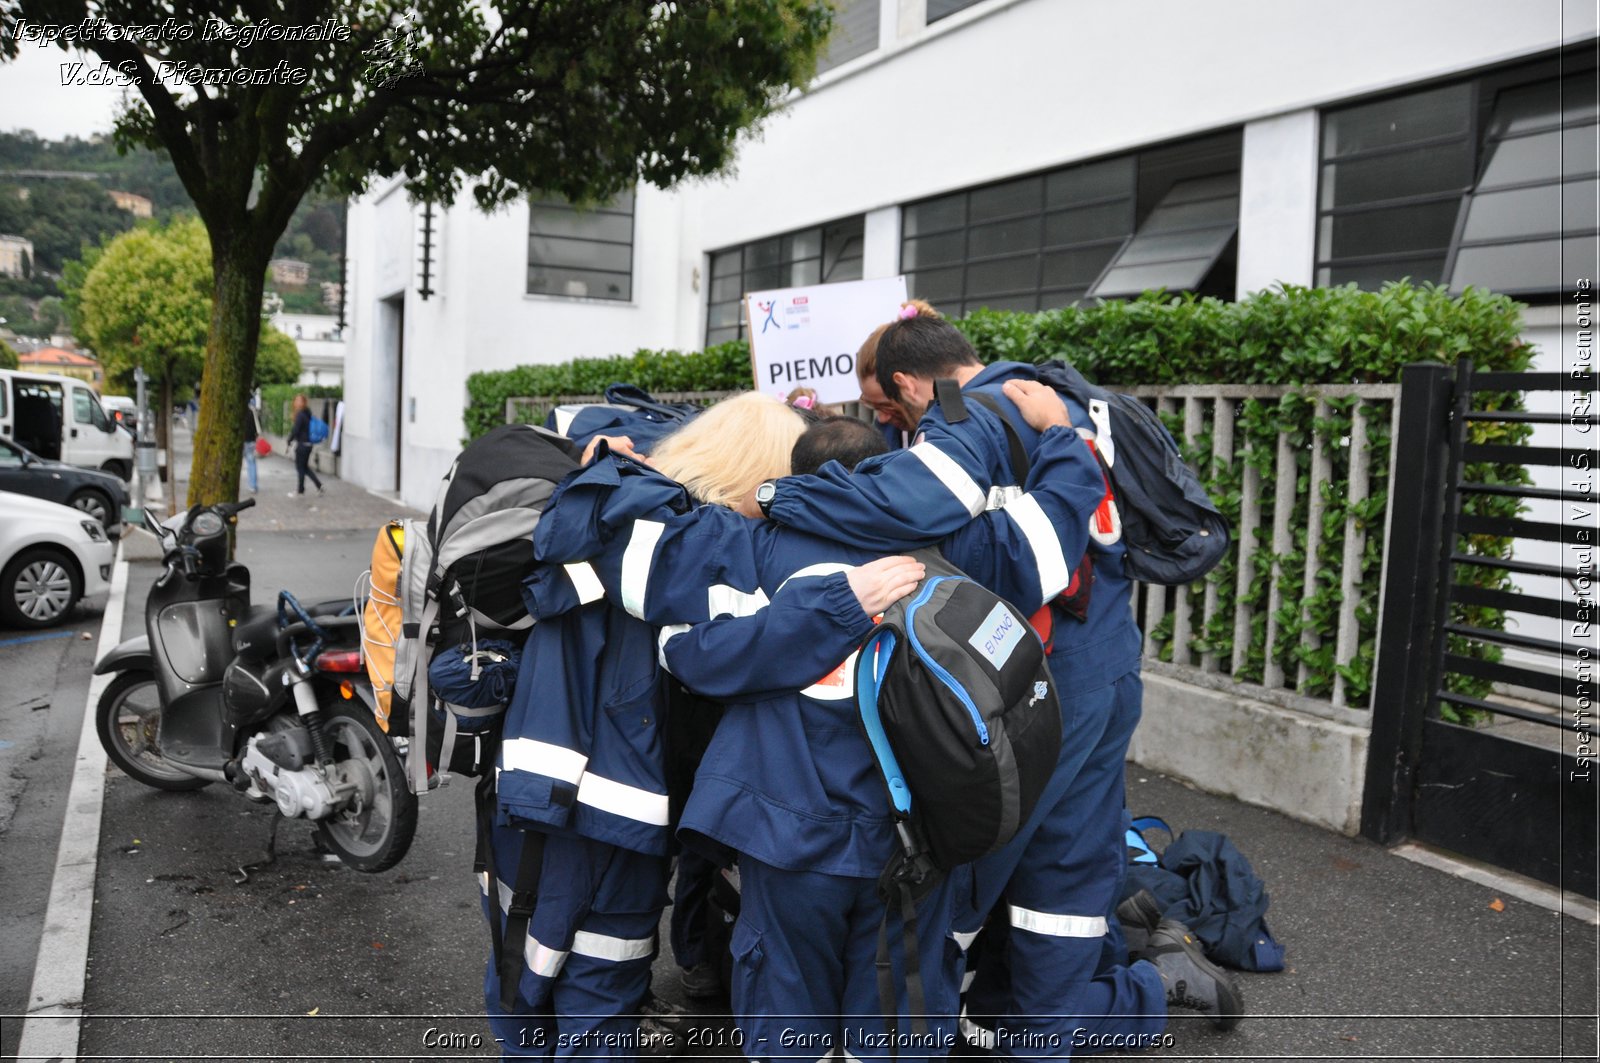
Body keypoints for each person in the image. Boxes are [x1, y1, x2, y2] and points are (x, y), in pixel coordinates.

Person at [526, 389, 1111, 1062]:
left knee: (787, 1016)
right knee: (895, 1023)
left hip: (785, 833)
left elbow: (685, 654)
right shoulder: (962, 543)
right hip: (921, 832)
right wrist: (1062, 433)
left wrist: (600, 460)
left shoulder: (741, 544)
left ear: (793, 474)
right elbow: (1057, 525)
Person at [753, 317, 1242, 1056]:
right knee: (1066, 879)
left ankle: (967, 1020)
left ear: (917, 383)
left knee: (958, 869)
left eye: (886, 408)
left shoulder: (970, 414)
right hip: (1104, 666)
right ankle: (1067, 1020)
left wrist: (773, 496)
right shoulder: (1057, 401)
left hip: (1032, 683)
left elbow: (923, 509)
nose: (885, 424)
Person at [854, 299, 940, 451]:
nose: (882, 417)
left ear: (908, 384)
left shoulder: (953, 433)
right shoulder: (883, 434)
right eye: (873, 407)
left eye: (887, 406)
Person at [284, 394, 323, 496]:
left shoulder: (300, 415)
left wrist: (289, 440)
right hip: (308, 444)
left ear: (303, 403)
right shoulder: (307, 413)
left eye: (298, 401)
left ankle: (300, 490)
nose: (296, 403)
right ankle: (319, 485)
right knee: (305, 467)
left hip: (302, 444)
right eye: (295, 400)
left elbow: (296, 430)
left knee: (300, 468)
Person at [241, 401, 260, 494]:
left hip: (240, 441)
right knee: (251, 463)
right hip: (251, 441)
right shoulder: (252, 411)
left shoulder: (237, 411)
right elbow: (257, 426)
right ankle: (253, 485)